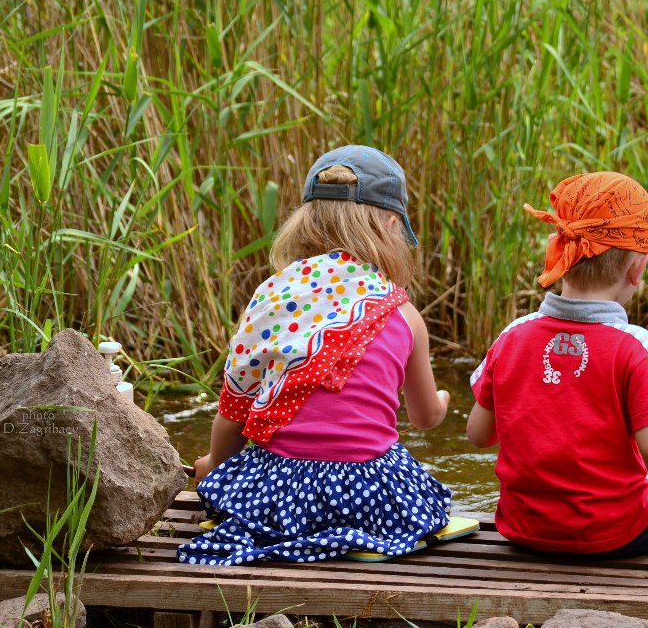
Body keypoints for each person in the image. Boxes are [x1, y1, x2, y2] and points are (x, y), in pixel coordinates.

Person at [177, 145, 453, 566]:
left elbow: (233, 409)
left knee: (228, 476)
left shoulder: (273, 293)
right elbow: (424, 417)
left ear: (306, 220)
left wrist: (214, 465)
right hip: (371, 499)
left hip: (281, 497)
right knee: (426, 491)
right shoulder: (404, 313)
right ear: (392, 223)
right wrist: (443, 403)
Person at [465, 171, 648, 559]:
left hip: (522, 529)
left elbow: (478, 434)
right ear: (637, 269)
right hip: (614, 535)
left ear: (561, 252)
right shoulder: (634, 346)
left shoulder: (513, 336)